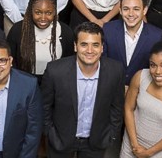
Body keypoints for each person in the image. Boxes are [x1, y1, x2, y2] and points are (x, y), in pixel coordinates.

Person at [41, 22, 125, 158]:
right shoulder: (55, 71)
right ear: (75, 46)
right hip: (60, 140)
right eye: (84, 44)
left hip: (96, 142)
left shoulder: (115, 71)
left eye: (95, 45)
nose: (90, 50)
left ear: (102, 47)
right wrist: (50, 133)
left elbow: (117, 107)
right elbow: (44, 108)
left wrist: (111, 134)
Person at [7, 0, 74, 80]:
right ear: (31, 11)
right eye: (38, 12)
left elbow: (69, 63)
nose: (43, 18)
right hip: (24, 81)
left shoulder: (65, 31)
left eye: (48, 13)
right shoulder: (17, 30)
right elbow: (10, 60)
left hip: (55, 82)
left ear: (55, 12)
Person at [103, 0, 162, 87]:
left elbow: (155, 68)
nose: (131, 14)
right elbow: (102, 63)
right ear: (120, 11)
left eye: (136, 9)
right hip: (110, 86)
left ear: (144, 11)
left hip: (140, 89)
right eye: (126, 9)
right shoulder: (108, 30)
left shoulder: (156, 36)